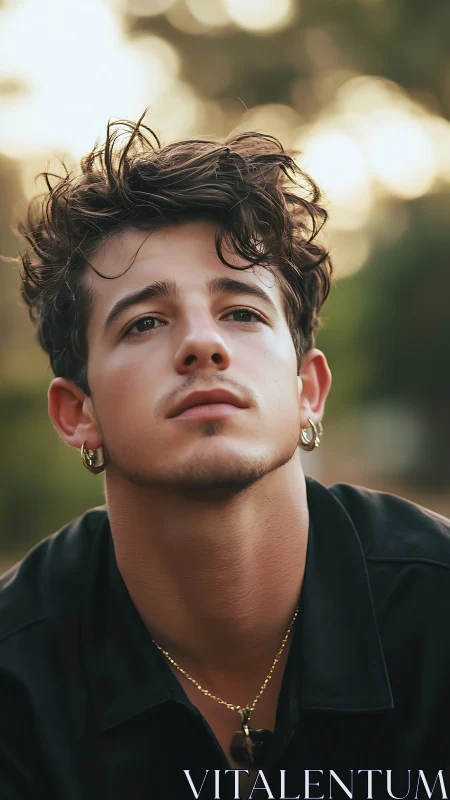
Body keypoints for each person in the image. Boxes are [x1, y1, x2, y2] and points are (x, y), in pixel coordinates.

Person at [1, 114, 450, 800]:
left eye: (241, 312)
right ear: (78, 414)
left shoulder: (436, 610)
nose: (201, 345)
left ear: (307, 391)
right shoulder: (16, 679)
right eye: (144, 322)